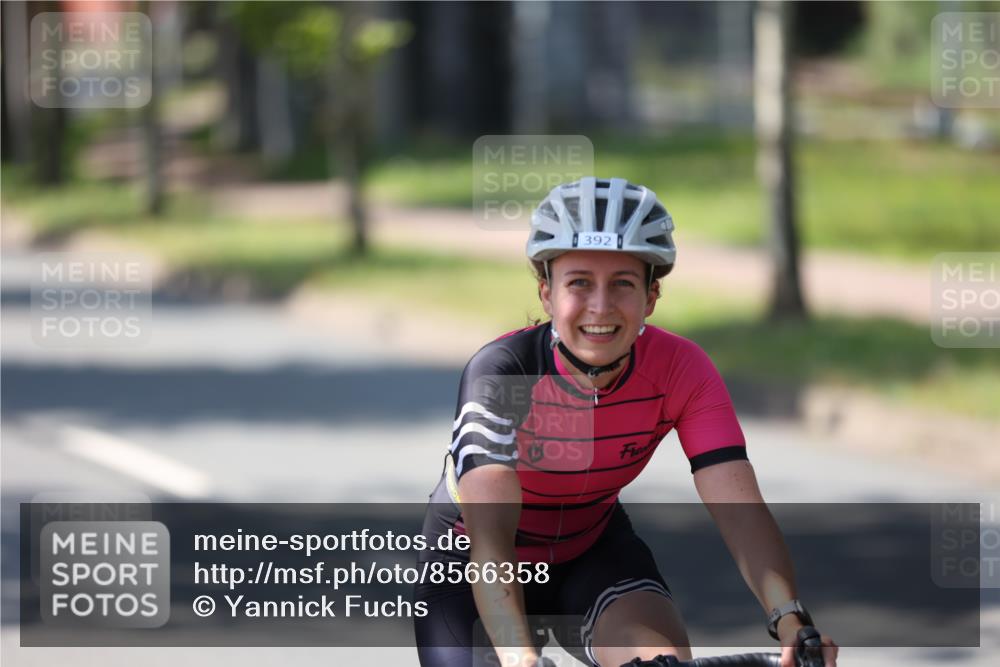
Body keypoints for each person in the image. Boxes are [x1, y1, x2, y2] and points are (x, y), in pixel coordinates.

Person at [414, 177, 838, 667]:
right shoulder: (503, 373)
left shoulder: (681, 369)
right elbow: (490, 537)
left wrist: (792, 623)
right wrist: (518, 656)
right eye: (579, 283)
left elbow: (739, 507)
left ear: (650, 298)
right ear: (547, 294)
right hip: (472, 565)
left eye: (622, 283)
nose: (600, 306)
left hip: (590, 550)